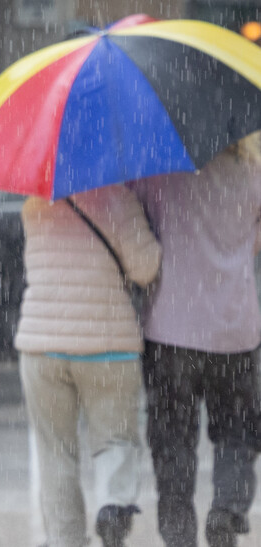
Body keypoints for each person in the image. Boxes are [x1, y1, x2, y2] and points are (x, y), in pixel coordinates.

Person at [131, 131, 261, 547]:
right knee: (238, 431)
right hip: (235, 331)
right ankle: (227, 508)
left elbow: (136, 220)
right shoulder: (252, 171)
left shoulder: (160, 170)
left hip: (171, 331)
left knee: (172, 442)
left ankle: (179, 536)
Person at [16, 183, 161, 547]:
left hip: (43, 344)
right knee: (115, 438)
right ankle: (113, 506)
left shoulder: (35, 204)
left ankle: (66, 539)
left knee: (56, 452)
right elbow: (145, 269)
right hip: (108, 344)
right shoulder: (120, 199)